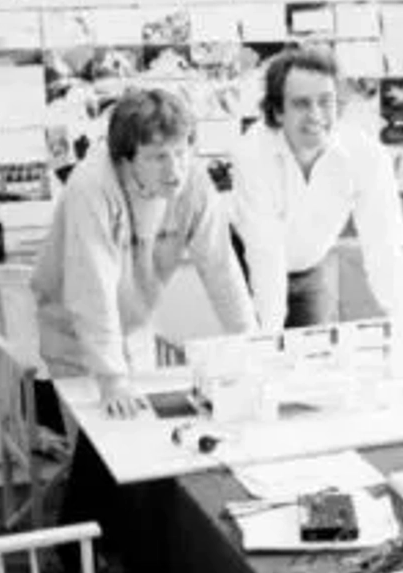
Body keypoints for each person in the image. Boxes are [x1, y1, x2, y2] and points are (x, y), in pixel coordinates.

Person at [30, 87, 254, 420]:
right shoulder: (91, 187)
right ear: (125, 159)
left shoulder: (193, 183)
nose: (174, 170)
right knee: (97, 444)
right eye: (157, 157)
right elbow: (91, 291)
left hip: (135, 328)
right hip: (73, 333)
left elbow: (221, 269)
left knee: (144, 438)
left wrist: (251, 348)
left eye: (180, 152)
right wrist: (112, 379)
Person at [230, 44, 403, 330]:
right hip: (247, 262)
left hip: (309, 266)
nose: (315, 115)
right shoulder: (252, 153)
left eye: (325, 101)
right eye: (301, 103)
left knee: (312, 359)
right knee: (256, 356)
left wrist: (400, 321)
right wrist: (267, 339)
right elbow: (265, 252)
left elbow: (384, 242)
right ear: (278, 111)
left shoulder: (366, 156)